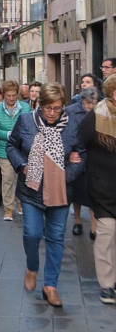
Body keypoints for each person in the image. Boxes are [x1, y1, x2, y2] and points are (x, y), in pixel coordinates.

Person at [6, 82, 85, 308]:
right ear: (39, 105)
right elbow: (12, 146)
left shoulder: (72, 125)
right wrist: (22, 164)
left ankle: (50, 285)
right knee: (32, 234)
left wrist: (66, 174)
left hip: (61, 191)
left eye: (57, 108)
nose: (51, 113)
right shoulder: (26, 121)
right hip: (32, 191)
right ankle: (32, 266)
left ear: (63, 107)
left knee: (56, 238)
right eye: (47, 108)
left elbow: (81, 153)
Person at [78, 74, 116, 304]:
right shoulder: (96, 116)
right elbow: (80, 141)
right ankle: (107, 284)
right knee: (107, 231)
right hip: (103, 184)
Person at [0, 80, 32, 221]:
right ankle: (8, 207)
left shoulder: (26, 108)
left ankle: (20, 203)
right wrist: (8, 134)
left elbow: (31, 126)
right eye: (8, 95)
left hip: (22, 150)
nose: (11, 98)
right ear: (4, 94)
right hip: (4, 150)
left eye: (14, 95)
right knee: (7, 178)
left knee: (22, 178)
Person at [65, 87, 101, 240]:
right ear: (82, 101)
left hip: (95, 157)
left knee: (94, 193)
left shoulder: (101, 112)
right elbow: (67, 133)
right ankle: (77, 221)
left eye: (94, 103)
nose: (91, 107)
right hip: (77, 157)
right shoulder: (70, 111)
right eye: (88, 103)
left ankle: (94, 227)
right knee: (77, 191)